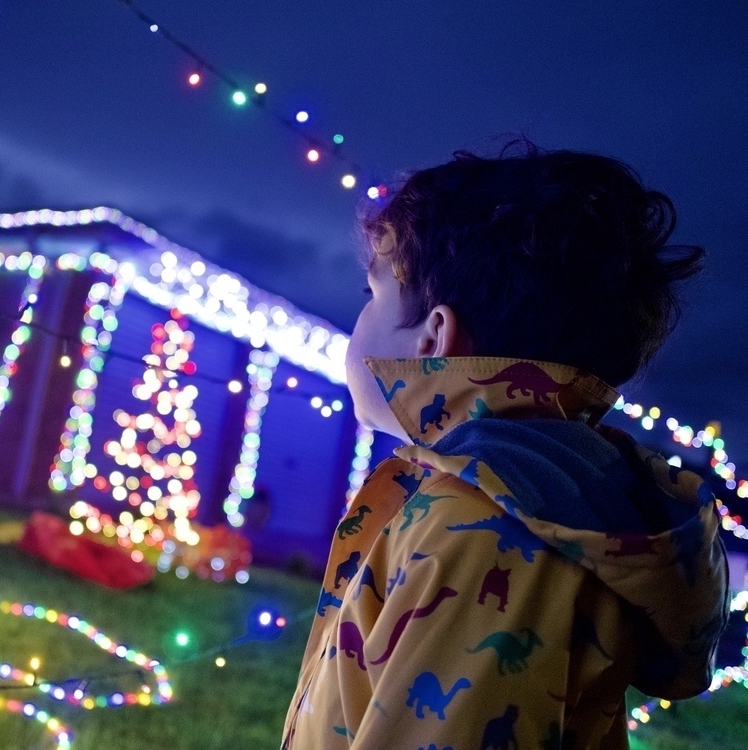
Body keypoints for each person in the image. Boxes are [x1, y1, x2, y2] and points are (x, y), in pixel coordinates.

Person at [282, 142, 730, 749]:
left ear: (433, 337)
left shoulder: (489, 521)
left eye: (372, 294)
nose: (358, 318)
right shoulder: (530, 494)